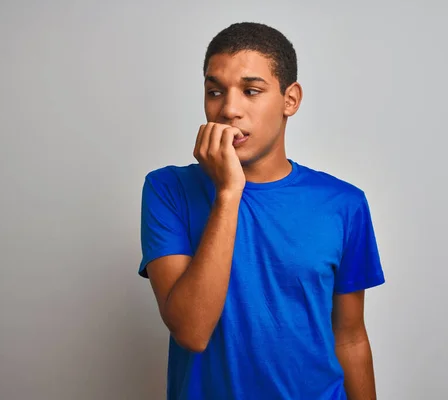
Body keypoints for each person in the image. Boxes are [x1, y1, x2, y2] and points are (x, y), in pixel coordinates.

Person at [138, 21, 385, 400]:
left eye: (251, 91)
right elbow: (191, 330)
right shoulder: (167, 190)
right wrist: (228, 192)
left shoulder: (343, 204)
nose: (229, 109)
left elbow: (350, 337)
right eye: (214, 92)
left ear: (291, 100)